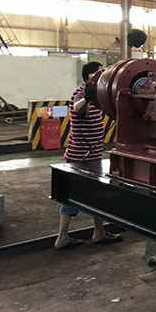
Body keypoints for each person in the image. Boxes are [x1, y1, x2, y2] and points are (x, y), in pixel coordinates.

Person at [54, 61, 122, 249]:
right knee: (72, 196)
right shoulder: (81, 93)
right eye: (98, 73)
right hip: (81, 156)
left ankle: (99, 232)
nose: (103, 75)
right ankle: (62, 237)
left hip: (93, 155)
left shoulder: (99, 96)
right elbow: (77, 108)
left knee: (96, 195)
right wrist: (87, 98)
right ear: (89, 76)